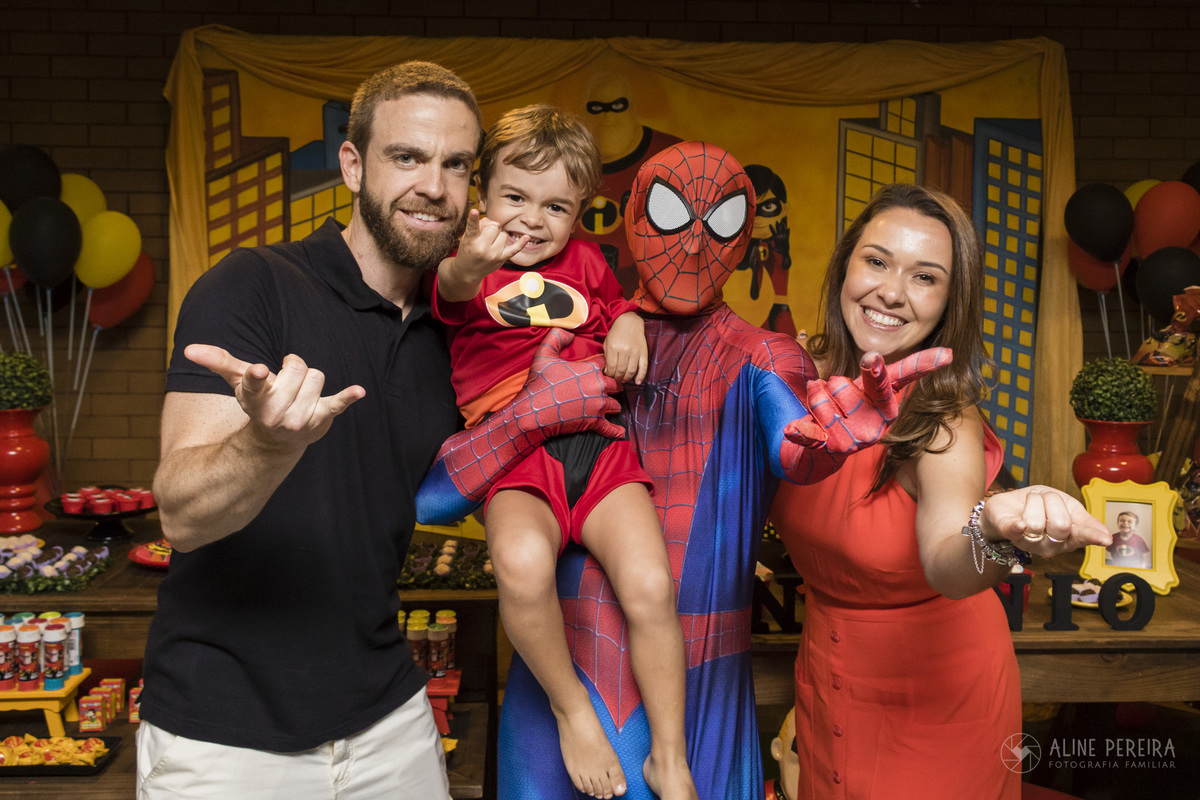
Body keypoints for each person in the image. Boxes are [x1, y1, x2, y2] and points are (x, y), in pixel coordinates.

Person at [139, 62, 619, 799]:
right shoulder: (253, 286)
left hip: (390, 720)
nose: (434, 185)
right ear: (353, 166)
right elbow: (182, 514)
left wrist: (528, 419)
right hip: (223, 737)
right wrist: (266, 444)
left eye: (456, 164)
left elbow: (430, 495)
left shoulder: (455, 331)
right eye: (407, 157)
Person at [418, 142, 952, 800]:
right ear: (633, 218)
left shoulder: (763, 356)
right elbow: (432, 498)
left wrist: (835, 441)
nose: (695, 245)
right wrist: (527, 416)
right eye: (672, 214)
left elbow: (794, 454)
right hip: (553, 688)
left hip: (697, 691)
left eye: (721, 223)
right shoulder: (569, 326)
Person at [768, 184, 1112, 800]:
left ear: (950, 301)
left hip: (939, 697)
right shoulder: (793, 375)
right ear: (845, 263)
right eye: (876, 261)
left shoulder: (943, 417)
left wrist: (996, 532)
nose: (893, 292)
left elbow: (949, 565)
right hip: (827, 675)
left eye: (925, 277)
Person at [433, 104, 696, 800]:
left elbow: (615, 311)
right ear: (482, 194)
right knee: (520, 564)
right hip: (516, 453)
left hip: (599, 446)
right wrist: (469, 261)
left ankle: (669, 754)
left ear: (581, 212)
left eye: (555, 206)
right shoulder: (465, 264)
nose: (530, 219)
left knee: (650, 585)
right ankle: (572, 711)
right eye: (514, 197)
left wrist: (633, 321)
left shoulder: (585, 261)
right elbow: (450, 292)